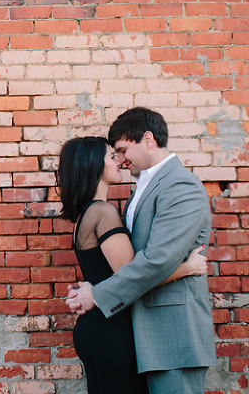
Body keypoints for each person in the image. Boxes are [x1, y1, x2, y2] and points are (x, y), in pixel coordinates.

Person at [66, 108, 217, 394]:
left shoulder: (180, 185)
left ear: (147, 139)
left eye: (122, 150)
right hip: (141, 339)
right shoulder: (138, 191)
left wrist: (97, 294)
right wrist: (97, 286)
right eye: (115, 154)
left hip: (172, 339)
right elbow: (127, 264)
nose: (121, 160)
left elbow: (157, 261)